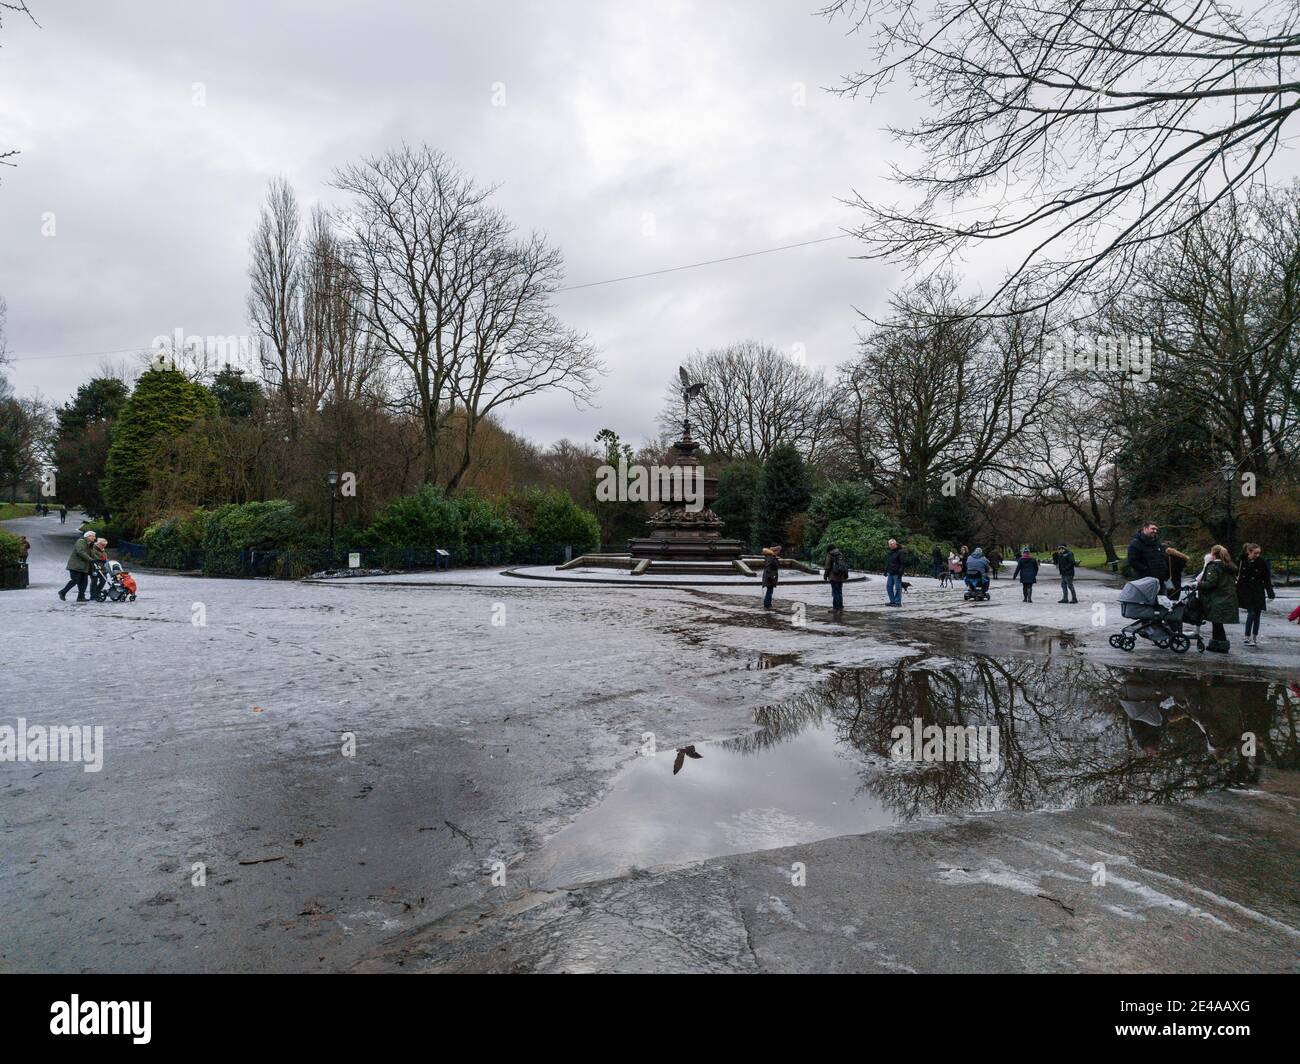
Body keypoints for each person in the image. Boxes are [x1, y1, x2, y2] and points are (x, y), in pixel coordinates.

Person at [1196, 544, 1238, 653]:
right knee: (1217, 622)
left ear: (1213, 554)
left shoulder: (1214, 566)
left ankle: (1221, 646)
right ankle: (1216, 645)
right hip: (1227, 597)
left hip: (1217, 598)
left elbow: (1211, 583)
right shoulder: (1229, 566)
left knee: (1217, 622)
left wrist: (1198, 584)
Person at [1236, 543, 1276, 647]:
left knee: (1257, 615)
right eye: (1255, 553)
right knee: (1252, 613)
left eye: (1259, 553)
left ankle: (1253, 638)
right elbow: (1237, 575)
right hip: (1247, 592)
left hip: (1258, 592)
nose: (1257, 555)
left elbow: (1266, 579)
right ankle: (1247, 636)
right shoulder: (1242, 560)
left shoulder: (1262, 562)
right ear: (1249, 552)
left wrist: (1271, 594)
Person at [1126, 521, 1169, 590]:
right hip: (1145, 581)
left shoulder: (1157, 542)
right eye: (1152, 529)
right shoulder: (1136, 543)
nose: (1155, 531)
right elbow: (1132, 561)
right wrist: (1146, 570)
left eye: (1156, 529)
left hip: (1160, 581)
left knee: (1162, 599)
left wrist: (1165, 571)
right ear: (1145, 528)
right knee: (1148, 600)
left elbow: (1162, 557)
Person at [58, 531, 96, 602]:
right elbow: (80, 551)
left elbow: (92, 555)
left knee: (84, 582)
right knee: (75, 580)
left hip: (84, 567)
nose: (95, 538)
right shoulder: (81, 541)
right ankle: (63, 592)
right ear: (89, 536)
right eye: (93, 536)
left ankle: (81, 597)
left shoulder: (89, 544)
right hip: (76, 566)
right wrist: (90, 559)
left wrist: (95, 559)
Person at [824, 543, 849, 611]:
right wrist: (846, 575)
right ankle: (840, 606)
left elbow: (828, 566)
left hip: (833, 576)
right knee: (839, 591)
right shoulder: (840, 554)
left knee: (835, 592)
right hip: (841, 576)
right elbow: (844, 565)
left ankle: (835, 607)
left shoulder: (830, 554)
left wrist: (825, 575)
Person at [884, 538, 905, 607]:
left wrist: (900, 573)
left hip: (897, 573)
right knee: (889, 587)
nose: (889, 546)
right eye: (889, 545)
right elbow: (889, 562)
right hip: (890, 572)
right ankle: (892, 601)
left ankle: (898, 602)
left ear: (894, 544)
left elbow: (903, 563)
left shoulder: (900, 552)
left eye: (890, 545)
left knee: (898, 588)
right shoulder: (891, 552)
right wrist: (886, 571)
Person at [88, 534, 109, 601]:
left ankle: (97, 592)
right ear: (99, 544)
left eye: (105, 545)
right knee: (94, 581)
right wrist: (101, 559)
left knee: (103, 580)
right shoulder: (93, 548)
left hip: (102, 568)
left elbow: (105, 558)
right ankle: (93, 595)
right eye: (103, 545)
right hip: (94, 567)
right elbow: (93, 556)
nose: (104, 546)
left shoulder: (103, 550)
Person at [761, 545, 781, 609]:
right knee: (769, 591)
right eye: (778, 551)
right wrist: (771, 578)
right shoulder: (771, 557)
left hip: (769, 576)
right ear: (775, 551)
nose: (779, 553)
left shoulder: (770, 557)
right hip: (770, 577)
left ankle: (768, 604)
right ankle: (767, 605)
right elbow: (773, 567)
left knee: (770, 590)